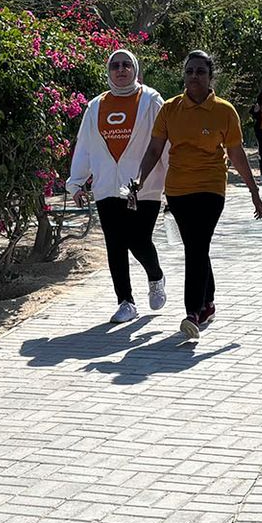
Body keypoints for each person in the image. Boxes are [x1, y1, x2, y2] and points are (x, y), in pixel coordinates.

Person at [130, 50, 262, 340]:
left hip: (211, 187)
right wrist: (140, 179)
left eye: (200, 71)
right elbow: (154, 149)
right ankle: (208, 303)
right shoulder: (169, 108)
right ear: (184, 74)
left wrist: (254, 191)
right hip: (178, 189)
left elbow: (237, 154)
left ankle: (192, 311)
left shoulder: (225, 111)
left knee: (196, 245)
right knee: (196, 245)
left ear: (210, 75)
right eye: (190, 71)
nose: (194, 76)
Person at [68, 48, 168, 324]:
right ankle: (125, 301)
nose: (121, 70)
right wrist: (76, 182)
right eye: (115, 66)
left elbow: (164, 143)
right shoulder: (96, 106)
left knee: (138, 239)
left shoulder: (151, 100)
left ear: (135, 69)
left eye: (126, 65)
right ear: (109, 71)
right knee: (114, 245)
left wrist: (172, 183)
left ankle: (155, 276)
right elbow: (85, 146)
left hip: (143, 186)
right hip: (105, 187)